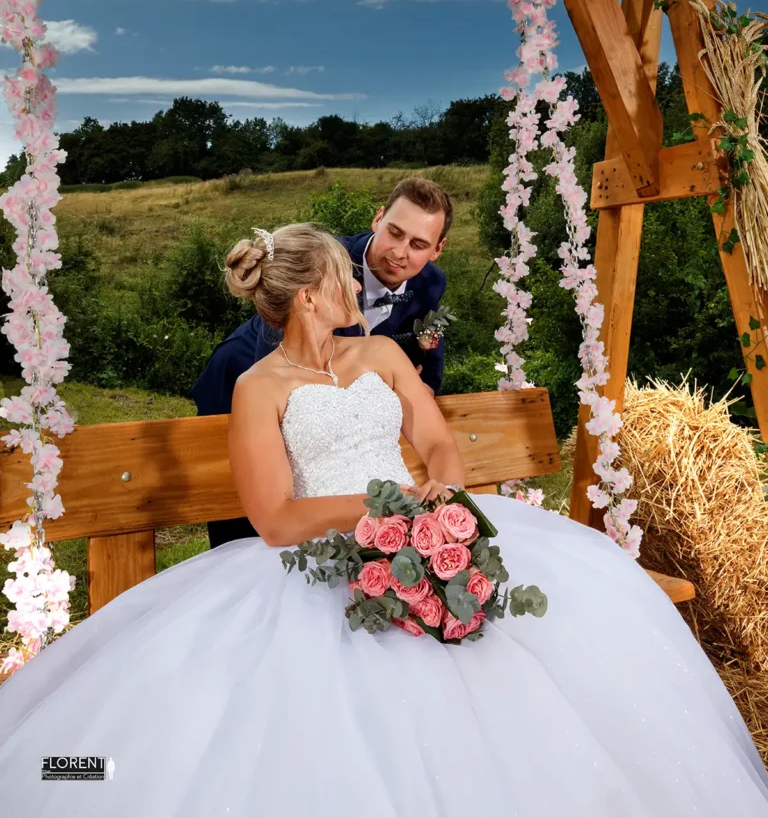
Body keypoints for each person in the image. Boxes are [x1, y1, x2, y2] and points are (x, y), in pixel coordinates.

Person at [0, 225, 766, 818]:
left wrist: (442, 496)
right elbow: (275, 519)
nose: (358, 284)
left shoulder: (382, 357)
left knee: (576, 616)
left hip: (422, 530)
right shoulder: (259, 387)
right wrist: (380, 507)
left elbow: (436, 440)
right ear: (309, 297)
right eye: (343, 276)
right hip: (318, 560)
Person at [193, 176, 453, 549]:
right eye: (395, 233)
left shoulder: (423, 291)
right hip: (238, 376)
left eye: (417, 244)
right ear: (378, 219)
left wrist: (420, 386)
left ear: (436, 249)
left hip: (392, 518)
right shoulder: (317, 263)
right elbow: (289, 367)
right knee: (239, 517)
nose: (399, 252)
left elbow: (428, 340)